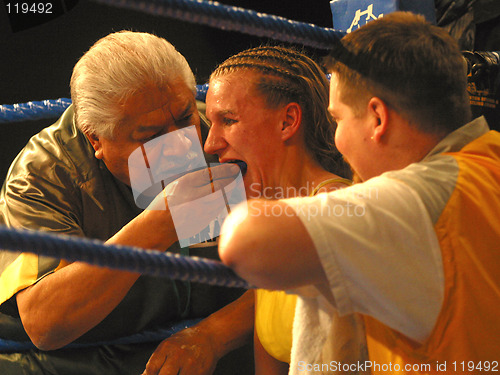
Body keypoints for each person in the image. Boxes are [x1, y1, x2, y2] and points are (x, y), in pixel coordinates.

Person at [217, 11, 500, 375]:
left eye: (338, 119)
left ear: (378, 119)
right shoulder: (488, 159)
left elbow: (247, 240)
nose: (337, 137)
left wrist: (176, 215)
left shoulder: (415, 201)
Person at [0, 31, 254, 375]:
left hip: (194, 349)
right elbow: (45, 324)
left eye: (183, 117)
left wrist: (214, 335)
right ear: (95, 139)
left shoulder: (222, 132)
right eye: (150, 137)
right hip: (68, 363)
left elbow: (302, 262)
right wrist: (161, 223)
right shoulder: (43, 173)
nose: (181, 144)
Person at [200, 45, 366, 375]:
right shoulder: (270, 218)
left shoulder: (336, 210)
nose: (210, 143)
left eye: (228, 120)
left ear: (287, 121)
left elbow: (353, 356)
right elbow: (271, 358)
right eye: (210, 123)